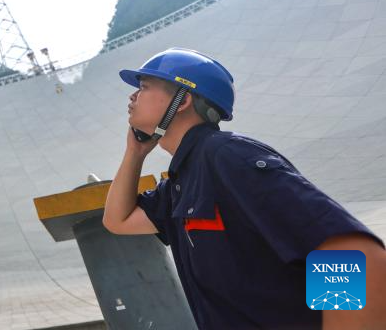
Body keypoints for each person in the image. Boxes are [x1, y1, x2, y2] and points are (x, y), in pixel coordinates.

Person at [102, 48, 386, 329]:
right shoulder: (183, 179)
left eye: (144, 86)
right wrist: (135, 154)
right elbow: (118, 220)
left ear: (183, 99)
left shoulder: (228, 157)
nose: (133, 96)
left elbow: (348, 252)